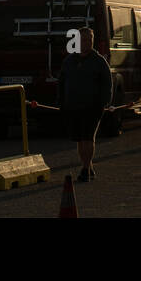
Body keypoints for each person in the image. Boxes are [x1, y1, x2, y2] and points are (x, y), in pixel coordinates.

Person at [58, 27, 113, 183]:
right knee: (80, 139)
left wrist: (104, 102)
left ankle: (85, 169)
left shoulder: (99, 62)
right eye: (83, 40)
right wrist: (61, 101)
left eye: (89, 40)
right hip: (73, 106)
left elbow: (107, 83)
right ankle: (88, 165)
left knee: (88, 137)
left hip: (93, 107)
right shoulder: (69, 61)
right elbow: (61, 82)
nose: (86, 43)